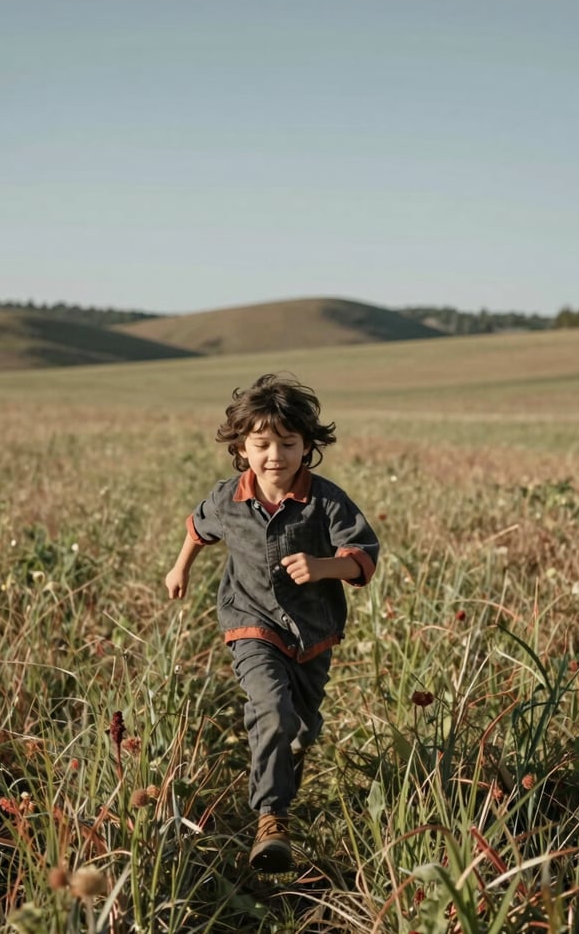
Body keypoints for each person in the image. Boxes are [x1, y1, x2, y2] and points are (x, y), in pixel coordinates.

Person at [165, 373, 380, 872]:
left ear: (308, 446)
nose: (275, 456)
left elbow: (364, 555)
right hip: (251, 622)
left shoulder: (326, 501)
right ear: (243, 446)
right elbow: (198, 529)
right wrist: (180, 568)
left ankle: (280, 769)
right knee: (272, 708)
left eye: (288, 443)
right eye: (262, 444)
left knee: (301, 728)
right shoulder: (227, 499)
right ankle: (271, 819)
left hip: (312, 632)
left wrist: (324, 566)